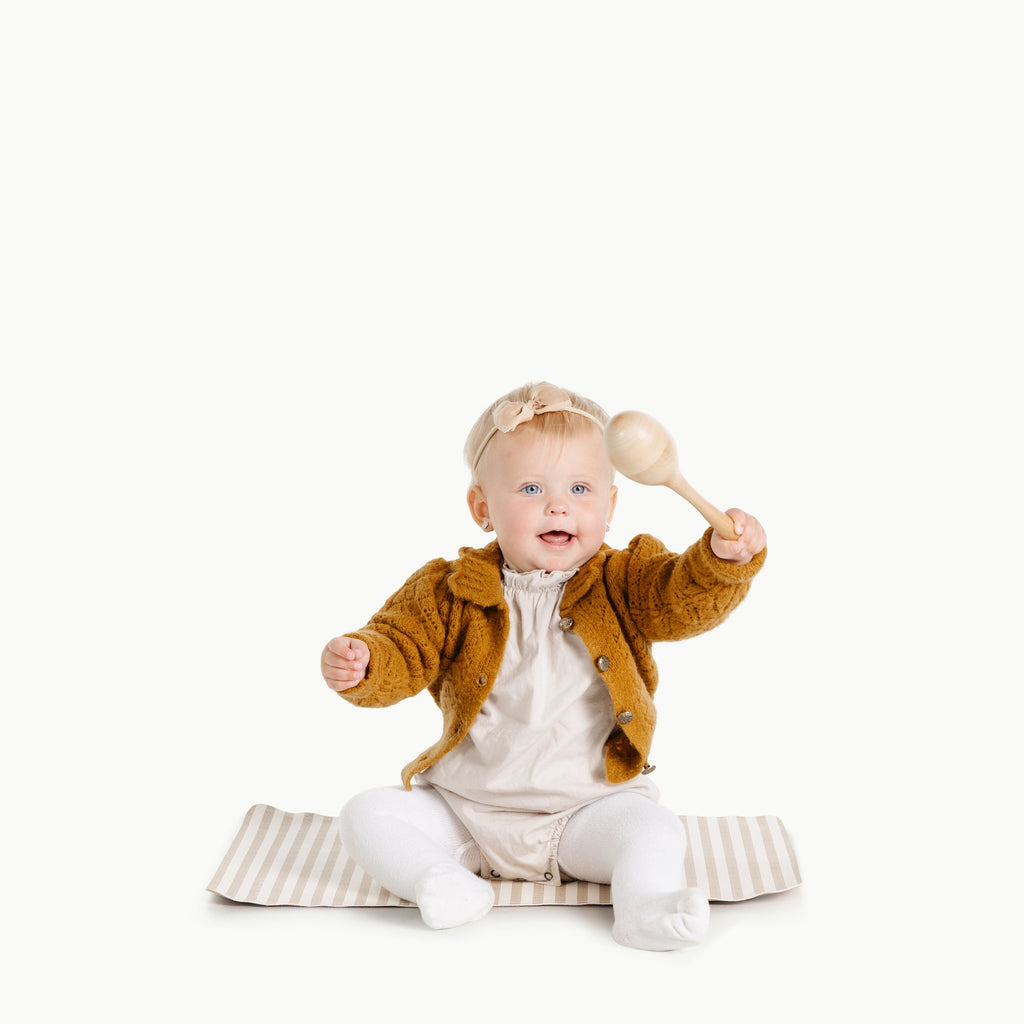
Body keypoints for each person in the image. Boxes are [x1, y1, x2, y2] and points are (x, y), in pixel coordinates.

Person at [321, 381, 766, 951]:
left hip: (585, 811)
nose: (559, 505)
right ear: (483, 508)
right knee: (367, 814)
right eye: (531, 488)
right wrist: (365, 662)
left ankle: (644, 906)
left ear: (609, 507)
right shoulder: (449, 589)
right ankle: (441, 879)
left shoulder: (623, 580)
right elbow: (400, 647)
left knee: (655, 829)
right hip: (465, 809)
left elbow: (679, 598)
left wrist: (718, 563)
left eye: (580, 488)